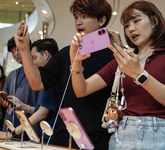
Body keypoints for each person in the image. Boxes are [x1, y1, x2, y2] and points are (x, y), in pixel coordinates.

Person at [69, 1, 165, 149]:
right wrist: (75, 62)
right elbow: (81, 90)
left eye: (136, 20)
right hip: (122, 135)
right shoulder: (120, 61)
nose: (131, 29)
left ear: (154, 21)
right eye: (127, 25)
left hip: (159, 136)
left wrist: (139, 74)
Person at [14, 0, 114, 149]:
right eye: (75, 17)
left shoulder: (114, 55)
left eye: (85, 16)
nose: (78, 22)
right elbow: (37, 83)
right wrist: (24, 49)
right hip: (64, 136)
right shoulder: (66, 53)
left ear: (101, 20)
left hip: (99, 139)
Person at [0, 38, 62, 144]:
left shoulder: (50, 79)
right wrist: (21, 105)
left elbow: (42, 113)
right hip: (38, 134)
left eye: (34, 58)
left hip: (47, 138)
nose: (33, 63)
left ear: (46, 54)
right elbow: (42, 110)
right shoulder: (14, 75)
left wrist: (10, 133)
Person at [1, 37, 39, 135]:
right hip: (11, 119)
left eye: (17, 50)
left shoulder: (37, 72)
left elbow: (42, 110)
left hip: (30, 120)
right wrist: (4, 100)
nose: (15, 54)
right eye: (13, 52)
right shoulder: (12, 74)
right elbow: (5, 102)